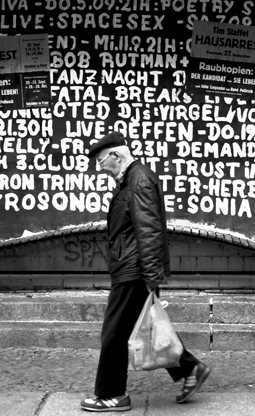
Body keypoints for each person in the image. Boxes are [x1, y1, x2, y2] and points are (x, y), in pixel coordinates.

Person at [80, 131, 211, 412]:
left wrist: (152, 279)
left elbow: (149, 232)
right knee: (146, 329)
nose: (99, 167)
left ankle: (112, 394)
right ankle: (190, 369)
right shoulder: (130, 180)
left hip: (133, 269)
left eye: (101, 160)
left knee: (114, 334)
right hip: (133, 267)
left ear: (117, 155)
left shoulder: (139, 179)